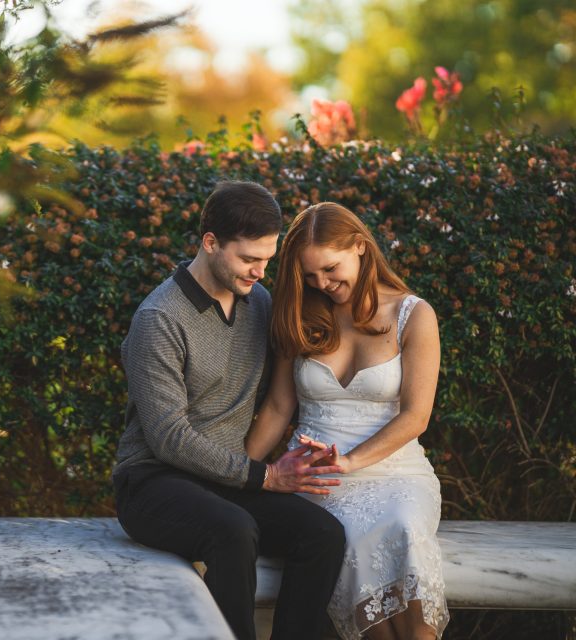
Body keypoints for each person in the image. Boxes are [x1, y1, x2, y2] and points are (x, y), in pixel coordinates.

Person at [112, 181, 347, 640]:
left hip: (226, 480)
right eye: (248, 259)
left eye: (267, 259)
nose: (260, 271)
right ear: (210, 242)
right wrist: (267, 477)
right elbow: (168, 438)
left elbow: (287, 387)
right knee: (233, 531)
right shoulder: (159, 318)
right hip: (152, 483)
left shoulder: (258, 303)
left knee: (323, 535)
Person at [245, 202, 450, 640]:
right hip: (318, 481)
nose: (321, 282)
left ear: (360, 246)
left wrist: (352, 461)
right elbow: (280, 409)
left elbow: (417, 416)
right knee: (348, 538)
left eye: (330, 268)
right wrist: (239, 473)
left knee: (404, 530)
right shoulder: (301, 314)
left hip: (397, 473)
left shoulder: (414, 315)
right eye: (309, 274)